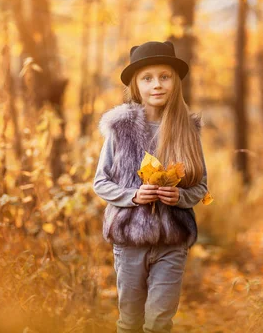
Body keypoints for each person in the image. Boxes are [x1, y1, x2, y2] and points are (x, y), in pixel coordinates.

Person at [92, 41, 209, 333]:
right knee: (130, 321)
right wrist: (133, 195)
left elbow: (201, 187)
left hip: (173, 243)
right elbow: (100, 182)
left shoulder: (188, 130)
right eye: (147, 78)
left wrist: (180, 196)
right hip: (130, 242)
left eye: (164, 76)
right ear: (136, 85)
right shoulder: (121, 129)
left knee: (159, 322)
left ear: (175, 82)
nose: (157, 84)